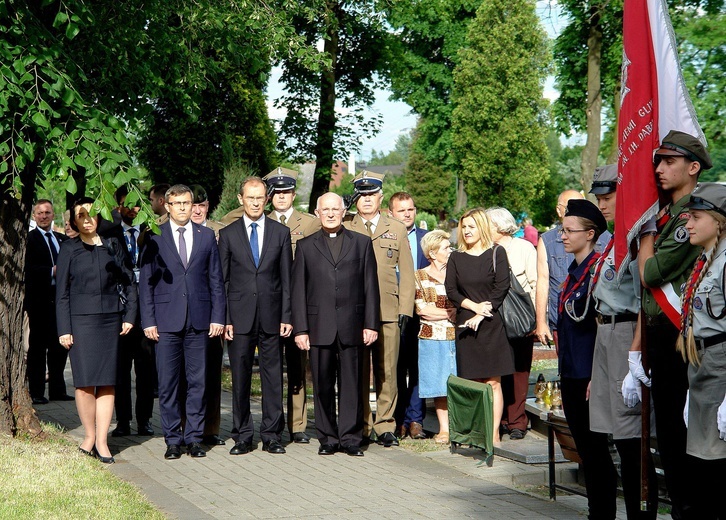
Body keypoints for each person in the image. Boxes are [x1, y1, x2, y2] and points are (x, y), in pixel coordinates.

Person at [638, 130, 712, 519]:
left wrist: (646, 233)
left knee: (682, 433)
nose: (659, 168)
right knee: (667, 431)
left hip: (679, 336)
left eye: (669, 161)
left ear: (693, 167)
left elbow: (652, 272)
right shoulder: (665, 214)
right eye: (658, 161)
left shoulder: (687, 220)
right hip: (656, 332)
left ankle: (690, 509)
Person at [588, 165, 658, 519]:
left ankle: (639, 513)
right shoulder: (611, 239)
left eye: (608, 197)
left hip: (627, 332)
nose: (602, 204)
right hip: (605, 332)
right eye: (598, 198)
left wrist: (635, 353)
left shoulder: (640, 237)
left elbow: (646, 300)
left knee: (631, 439)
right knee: (610, 432)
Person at [139, 184, 226, 460]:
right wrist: (149, 321)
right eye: (176, 204)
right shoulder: (155, 236)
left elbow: (216, 280)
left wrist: (218, 317)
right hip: (166, 322)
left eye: (187, 204)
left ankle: (195, 438)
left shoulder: (206, 236)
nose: (182, 208)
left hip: (200, 321)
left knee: (198, 382)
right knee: (168, 383)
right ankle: (173, 439)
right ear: (167, 206)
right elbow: (146, 284)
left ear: (193, 206)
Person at [292, 193, 380, 456]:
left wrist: (371, 324)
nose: (330, 214)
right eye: (325, 209)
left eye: (335, 209)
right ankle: (328, 438)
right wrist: (301, 329)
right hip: (319, 327)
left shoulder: (362, 243)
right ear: (317, 213)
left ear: (344, 212)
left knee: (352, 384)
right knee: (322, 384)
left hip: (353, 324)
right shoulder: (305, 246)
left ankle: (351, 438)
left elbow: (370, 287)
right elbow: (298, 290)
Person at [56, 197, 138, 463]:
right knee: (84, 382)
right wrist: (64, 328)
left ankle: (103, 441)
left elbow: (129, 283)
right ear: (74, 221)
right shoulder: (68, 249)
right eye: (81, 215)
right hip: (80, 322)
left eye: (92, 215)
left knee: (106, 382)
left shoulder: (113, 245)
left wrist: (129, 316)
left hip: (110, 321)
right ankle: (89, 436)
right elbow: (62, 294)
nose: (87, 219)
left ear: (100, 218)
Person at [218, 177, 293, 456]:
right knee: (240, 377)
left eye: (260, 197)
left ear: (267, 199)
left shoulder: (280, 232)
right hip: (238, 318)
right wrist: (224, 317)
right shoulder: (227, 235)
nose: (255, 203)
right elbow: (222, 281)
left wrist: (287, 315)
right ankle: (242, 435)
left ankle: (272, 434)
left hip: (273, 316)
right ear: (240, 199)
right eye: (250, 198)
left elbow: (287, 279)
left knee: (273, 376)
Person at [343, 171, 415, 447]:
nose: (367, 200)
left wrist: (404, 310)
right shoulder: (346, 224)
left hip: (388, 310)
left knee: (387, 372)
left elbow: (406, 273)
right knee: (358, 371)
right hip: (355, 312)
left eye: (372, 195)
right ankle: (361, 425)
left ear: (381, 197)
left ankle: (385, 425)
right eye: (361, 196)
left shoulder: (395, 227)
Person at [556, 199, 614, 520]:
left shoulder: (597, 271)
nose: (562, 236)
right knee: (586, 450)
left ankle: (602, 513)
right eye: (562, 230)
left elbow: (599, 327)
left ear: (590, 234)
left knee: (594, 451)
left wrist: (597, 373)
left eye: (569, 231)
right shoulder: (574, 271)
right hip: (571, 371)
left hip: (588, 374)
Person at [445, 207, 514, 446]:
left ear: (482, 227)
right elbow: (451, 290)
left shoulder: (497, 252)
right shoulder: (456, 257)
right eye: (464, 227)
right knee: (473, 382)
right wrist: (474, 308)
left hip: (491, 324)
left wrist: (484, 311)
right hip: (467, 324)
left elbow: (502, 286)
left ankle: (493, 433)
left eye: (472, 226)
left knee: (493, 382)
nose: (466, 231)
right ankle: (476, 432)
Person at [262, 168, 321, 445]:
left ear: (294, 195)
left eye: (286, 192)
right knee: (272, 368)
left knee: (298, 366)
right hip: (270, 303)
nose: (281, 197)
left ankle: (297, 424)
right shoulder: (260, 221)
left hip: (300, 303)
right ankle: (272, 423)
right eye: (277, 193)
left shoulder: (309, 223)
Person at [678, 183, 726, 520]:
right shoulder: (707, 260)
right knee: (703, 460)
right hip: (702, 366)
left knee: (717, 464)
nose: (688, 225)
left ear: (719, 221)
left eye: (695, 217)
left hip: (721, 367)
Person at [180, 184, 227, 446]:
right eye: (192, 205)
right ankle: (185, 427)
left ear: (208, 207)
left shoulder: (219, 231)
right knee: (185, 375)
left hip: (213, 312)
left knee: (211, 374)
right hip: (185, 313)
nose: (196, 210)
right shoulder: (172, 228)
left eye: (201, 206)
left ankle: (210, 428)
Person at [535, 190, 611, 350]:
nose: (564, 237)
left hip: (592, 326)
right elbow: (542, 281)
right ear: (559, 210)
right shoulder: (548, 241)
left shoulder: (606, 239)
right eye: (570, 207)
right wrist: (541, 322)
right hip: (561, 321)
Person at [486, 207, 537, 441]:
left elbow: (535, 282)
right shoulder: (485, 249)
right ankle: (501, 418)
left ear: (499, 226)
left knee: (519, 370)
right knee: (498, 370)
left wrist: (536, 319)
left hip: (519, 316)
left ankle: (517, 421)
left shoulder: (524, 247)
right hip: (492, 317)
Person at [111, 186, 155, 438]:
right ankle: (123, 421)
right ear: (119, 206)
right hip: (120, 312)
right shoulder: (111, 235)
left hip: (146, 314)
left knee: (146, 370)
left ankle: (145, 419)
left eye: (138, 204)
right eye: (128, 204)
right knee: (120, 370)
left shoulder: (151, 236)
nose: (134, 209)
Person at [388, 191, 429, 440]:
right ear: (391, 213)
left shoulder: (426, 239)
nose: (407, 214)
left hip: (421, 312)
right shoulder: (386, 237)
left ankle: (415, 420)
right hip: (392, 311)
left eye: (410, 209)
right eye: (401, 210)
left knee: (417, 367)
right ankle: (397, 418)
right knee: (395, 367)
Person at [24, 199, 72, 405]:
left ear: (53, 215)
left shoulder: (61, 239)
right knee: (37, 348)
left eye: (47, 212)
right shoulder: (29, 239)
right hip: (39, 301)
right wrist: (50, 271)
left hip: (60, 302)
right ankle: (36, 391)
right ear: (34, 216)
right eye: (40, 213)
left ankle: (58, 389)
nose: (44, 216)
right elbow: (26, 269)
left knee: (59, 347)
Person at [414, 230, 456, 444]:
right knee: (440, 386)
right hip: (432, 338)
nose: (451, 251)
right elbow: (423, 310)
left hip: (458, 337)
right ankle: (445, 429)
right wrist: (452, 313)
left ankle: (461, 429)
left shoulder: (457, 273)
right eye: (446, 248)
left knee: (459, 385)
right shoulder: (419, 276)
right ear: (432, 252)